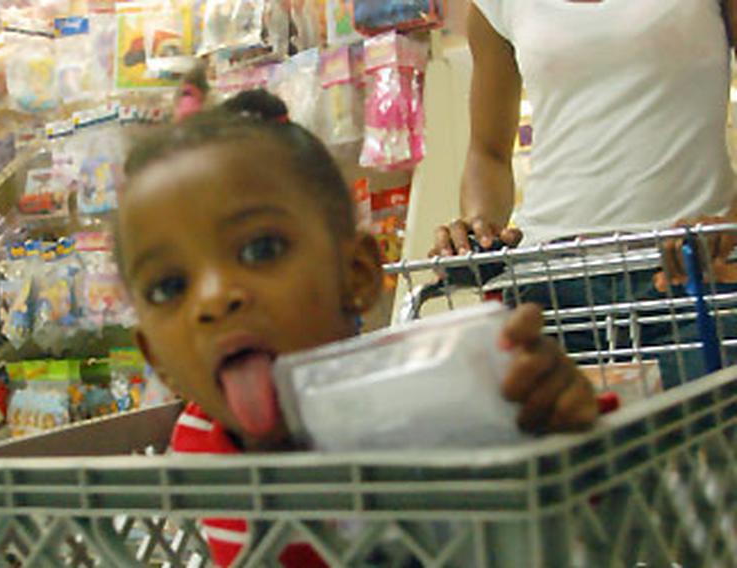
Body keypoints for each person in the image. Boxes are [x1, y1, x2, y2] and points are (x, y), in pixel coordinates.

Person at [115, 90, 599, 567]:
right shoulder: (197, 439)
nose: (214, 299)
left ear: (358, 276)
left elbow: (587, 513)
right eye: (168, 287)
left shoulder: (430, 393)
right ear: (156, 357)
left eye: (260, 250)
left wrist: (559, 420)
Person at [433, 0, 737, 386]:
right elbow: (488, 152)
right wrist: (480, 225)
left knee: (709, 438)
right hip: (550, 285)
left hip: (692, 271)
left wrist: (728, 222)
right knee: (566, 445)